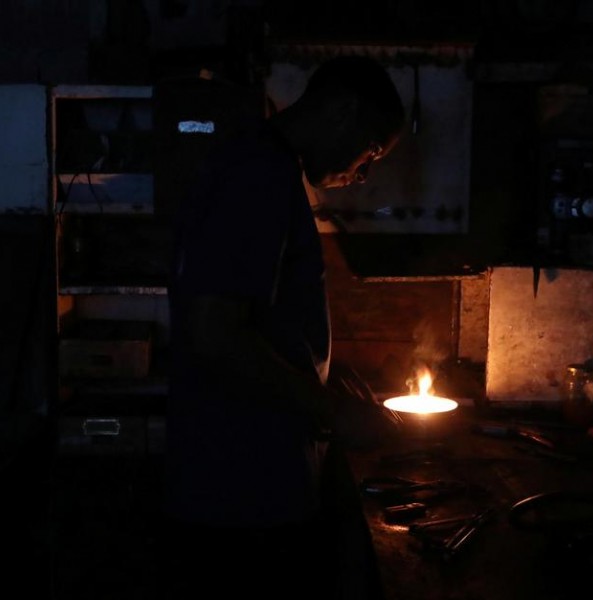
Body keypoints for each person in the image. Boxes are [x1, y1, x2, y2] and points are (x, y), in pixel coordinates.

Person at [161, 55, 406, 599]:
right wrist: (332, 412)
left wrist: (323, 373)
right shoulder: (260, 174)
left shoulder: (261, 166)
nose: (362, 173)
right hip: (242, 493)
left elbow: (256, 320)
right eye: (371, 152)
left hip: (244, 485)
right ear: (343, 111)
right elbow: (215, 331)